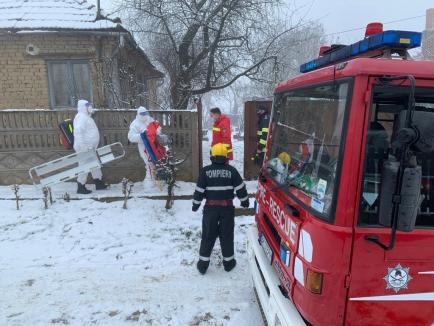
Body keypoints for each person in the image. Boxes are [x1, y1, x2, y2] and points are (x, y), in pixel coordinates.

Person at [192, 143, 249, 275]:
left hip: (210, 209)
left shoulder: (205, 171)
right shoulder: (232, 171)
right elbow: (241, 188)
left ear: (212, 156)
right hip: (227, 209)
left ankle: (202, 265)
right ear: (226, 157)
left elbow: (199, 190)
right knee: (227, 236)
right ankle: (229, 264)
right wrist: (244, 201)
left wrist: (196, 204)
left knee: (207, 235)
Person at [73, 99, 108, 194]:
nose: (90, 107)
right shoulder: (81, 117)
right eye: (87, 105)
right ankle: (81, 186)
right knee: (84, 167)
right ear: (83, 107)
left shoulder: (87, 117)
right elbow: (78, 132)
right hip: (84, 148)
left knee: (94, 165)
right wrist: (83, 146)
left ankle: (98, 182)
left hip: (90, 148)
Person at [128, 106, 164, 188]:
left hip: (155, 144)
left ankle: (156, 180)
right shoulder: (135, 124)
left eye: (145, 113)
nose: (144, 115)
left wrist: (158, 131)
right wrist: (143, 136)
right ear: (138, 114)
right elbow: (131, 137)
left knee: (157, 162)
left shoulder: (149, 119)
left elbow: (157, 126)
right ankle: (149, 182)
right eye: (142, 114)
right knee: (149, 163)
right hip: (144, 147)